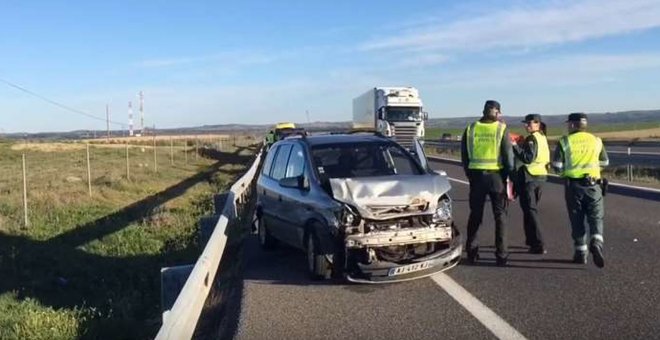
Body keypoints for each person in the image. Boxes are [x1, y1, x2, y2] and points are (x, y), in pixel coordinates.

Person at [461, 100, 515, 266]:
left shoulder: (470, 129)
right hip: (496, 177)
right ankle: (501, 255)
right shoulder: (501, 129)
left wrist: (470, 174)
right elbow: (508, 157)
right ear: (497, 113)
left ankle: (471, 251)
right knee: (500, 216)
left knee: (475, 215)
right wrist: (508, 176)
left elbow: (464, 156)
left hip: (476, 177)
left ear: (483, 111)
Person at [551, 113, 609, 268]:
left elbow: (557, 167)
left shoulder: (564, 142)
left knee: (577, 220)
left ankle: (580, 254)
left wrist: (566, 174)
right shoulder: (596, 141)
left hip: (574, 187)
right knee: (596, 217)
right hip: (594, 185)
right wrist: (593, 170)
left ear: (571, 125)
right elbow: (605, 161)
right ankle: (596, 242)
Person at [512, 114, 550, 254]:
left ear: (537, 124)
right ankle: (531, 241)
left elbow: (527, 158)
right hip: (540, 177)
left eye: (529, 123)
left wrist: (515, 146)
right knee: (529, 211)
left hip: (530, 178)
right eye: (525, 123)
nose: (526, 126)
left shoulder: (532, 139)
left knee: (531, 211)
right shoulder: (542, 137)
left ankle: (539, 244)